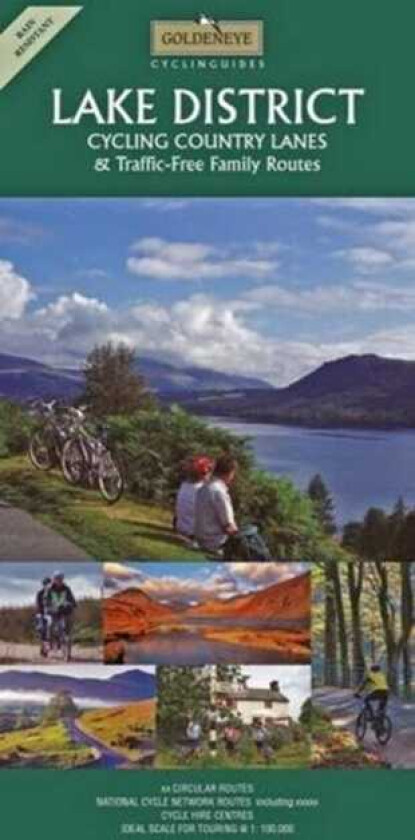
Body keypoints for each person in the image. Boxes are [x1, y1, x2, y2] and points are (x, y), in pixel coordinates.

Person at [195, 454, 271, 560]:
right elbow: (229, 526)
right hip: (215, 542)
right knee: (254, 540)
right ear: (230, 473)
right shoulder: (219, 491)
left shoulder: (203, 488)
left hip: (202, 538)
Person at [174, 456, 213, 541]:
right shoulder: (203, 490)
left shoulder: (183, 485)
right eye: (209, 471)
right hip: (194, 533)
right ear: (203, 473)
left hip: (180, 529)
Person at [46, 571, 77, 645]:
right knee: (50, 625)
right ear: (54, 579)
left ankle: (67, 637)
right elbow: (46, 600)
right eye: (57, 579)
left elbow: (71, 598)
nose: (59, 581)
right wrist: (49, 606)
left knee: (68, 621)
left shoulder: (66, 588)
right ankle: (49, 641)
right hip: (53, 610)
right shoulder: (49, 589)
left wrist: (73, 604)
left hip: (63, 609)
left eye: (61, 579)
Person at [35, 576, 52, 656]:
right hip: (42, 614)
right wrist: (41, 614)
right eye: (46, 584)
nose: (48, 585)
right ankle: (43, 649)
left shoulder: (53, 593)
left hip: (51, 614)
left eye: (49, 583)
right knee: (43, 629)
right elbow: (38, 605)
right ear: (44, 585)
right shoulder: (40, 593)